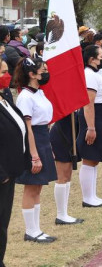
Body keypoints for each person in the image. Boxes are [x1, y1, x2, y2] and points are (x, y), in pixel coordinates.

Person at [14, 57, 58, 242]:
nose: (46, 73)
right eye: (43, 71)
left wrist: (49, 147)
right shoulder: (25, 96)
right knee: (31, 187)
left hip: (43, 138)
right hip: (33, 141)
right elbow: (27, 128)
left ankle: (36, 229)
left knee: (38, 186)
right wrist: (34, 155)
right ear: (32, 74)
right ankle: (30, 231)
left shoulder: (39, 93)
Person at [76, 44, 102, 208]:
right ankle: (87, 198)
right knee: (90, 158)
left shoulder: (96, 74)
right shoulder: (89, 75)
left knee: (95, 159)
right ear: (91, 59)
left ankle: (92, 195)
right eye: (101, 57)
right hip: (94, 119)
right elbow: (88, 104)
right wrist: (91, 128)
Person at [0, 59, 28, 267]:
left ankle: (0, 262)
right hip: (1, 172)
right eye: (2, 72)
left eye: (7, 71)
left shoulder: (5, 97)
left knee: (3, 220)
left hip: (10, 170)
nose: (6, 75)